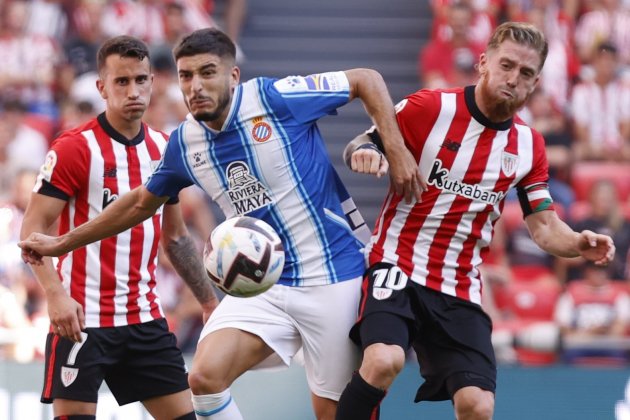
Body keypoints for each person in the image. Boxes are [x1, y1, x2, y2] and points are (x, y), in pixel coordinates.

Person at [19, 28, 423, 420]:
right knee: (205, 377)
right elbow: (140, 204)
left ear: (233, 75)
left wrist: (397, 149)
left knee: (331, 412)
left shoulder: (274, 98)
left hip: (334, 277)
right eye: (186, 76)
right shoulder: (184, 142)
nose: (195, 86)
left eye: (207, 73)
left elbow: (365, 79)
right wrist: (63, 243)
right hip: (264, 284)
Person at [336, 22, 616, 420]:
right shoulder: (431, 107)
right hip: (396, 263)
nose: (513, 79)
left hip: (459, 285)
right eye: (506, 66)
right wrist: (368, 154)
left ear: (535, 84)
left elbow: (544, 226)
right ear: (483, 63)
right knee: (384, 361)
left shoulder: (528, 145)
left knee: (478, 405)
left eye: (525, 74)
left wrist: (577, 243)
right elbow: (361, 142)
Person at [19, 35, 220, 420]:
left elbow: (175, 236)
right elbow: (33, 230)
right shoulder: (74, 148)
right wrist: (55, 296)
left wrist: (209, 302)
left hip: (144, 318)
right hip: (82, 321)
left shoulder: (165, 148)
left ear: (153, 83)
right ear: (102, 88)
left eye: (141, 80)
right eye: (121, 82)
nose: (133, 91)